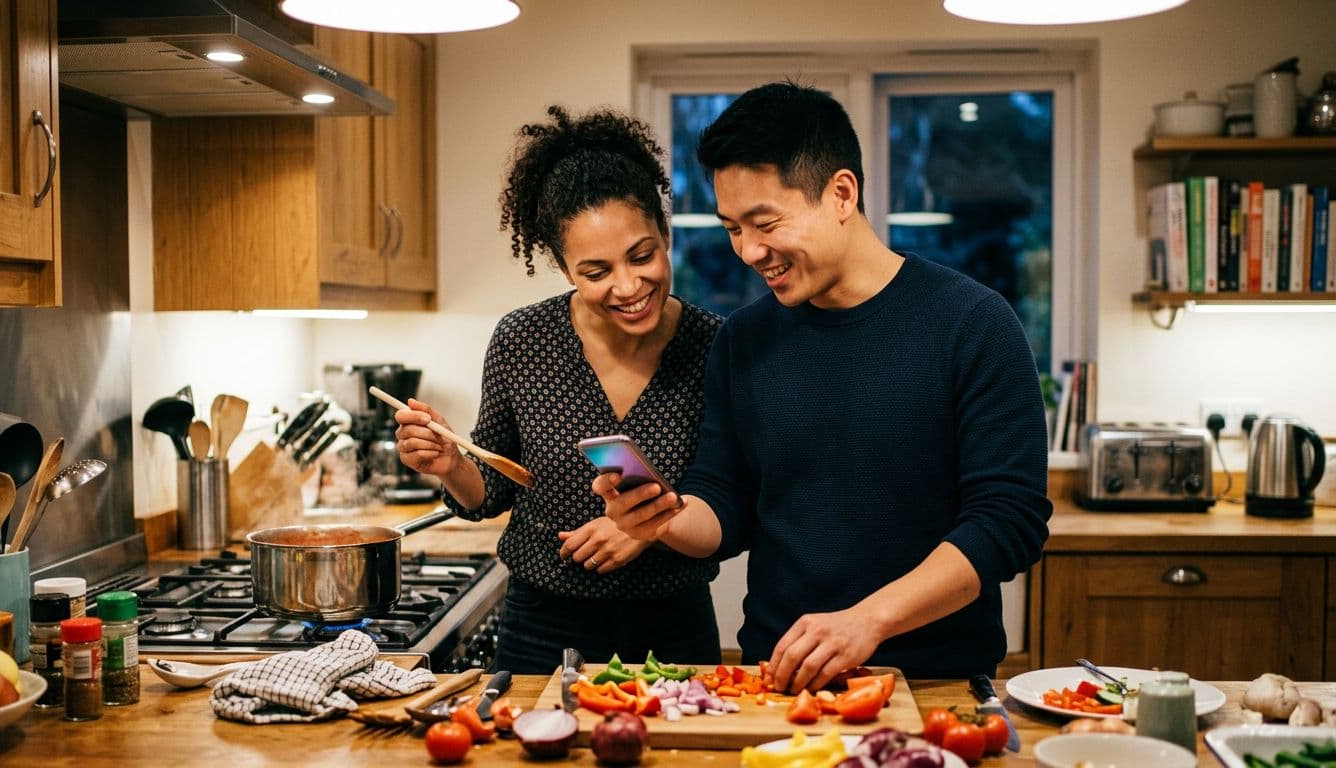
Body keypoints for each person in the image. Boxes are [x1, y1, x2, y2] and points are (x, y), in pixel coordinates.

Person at [595, 82, 1052, 692]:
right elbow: (724, 505)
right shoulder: (744, 339)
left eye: (766, 222)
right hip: (781, 679)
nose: (749, 251)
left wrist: (868, 621)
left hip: (937, 684)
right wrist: (665, 519)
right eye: (732, 227)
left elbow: (1008, 521)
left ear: (841, 193)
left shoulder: (973, 323)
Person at [394, 105, 723, 674]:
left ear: (665, 233)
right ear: (565, 268)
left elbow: (727, 502)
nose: (628, 285)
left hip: (675, 623)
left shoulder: (714, 345)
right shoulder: (524, 339)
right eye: (596, 272)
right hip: (542, 624)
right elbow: (492, 490)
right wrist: (450, 464)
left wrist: (643, 529)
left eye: (642, 255)